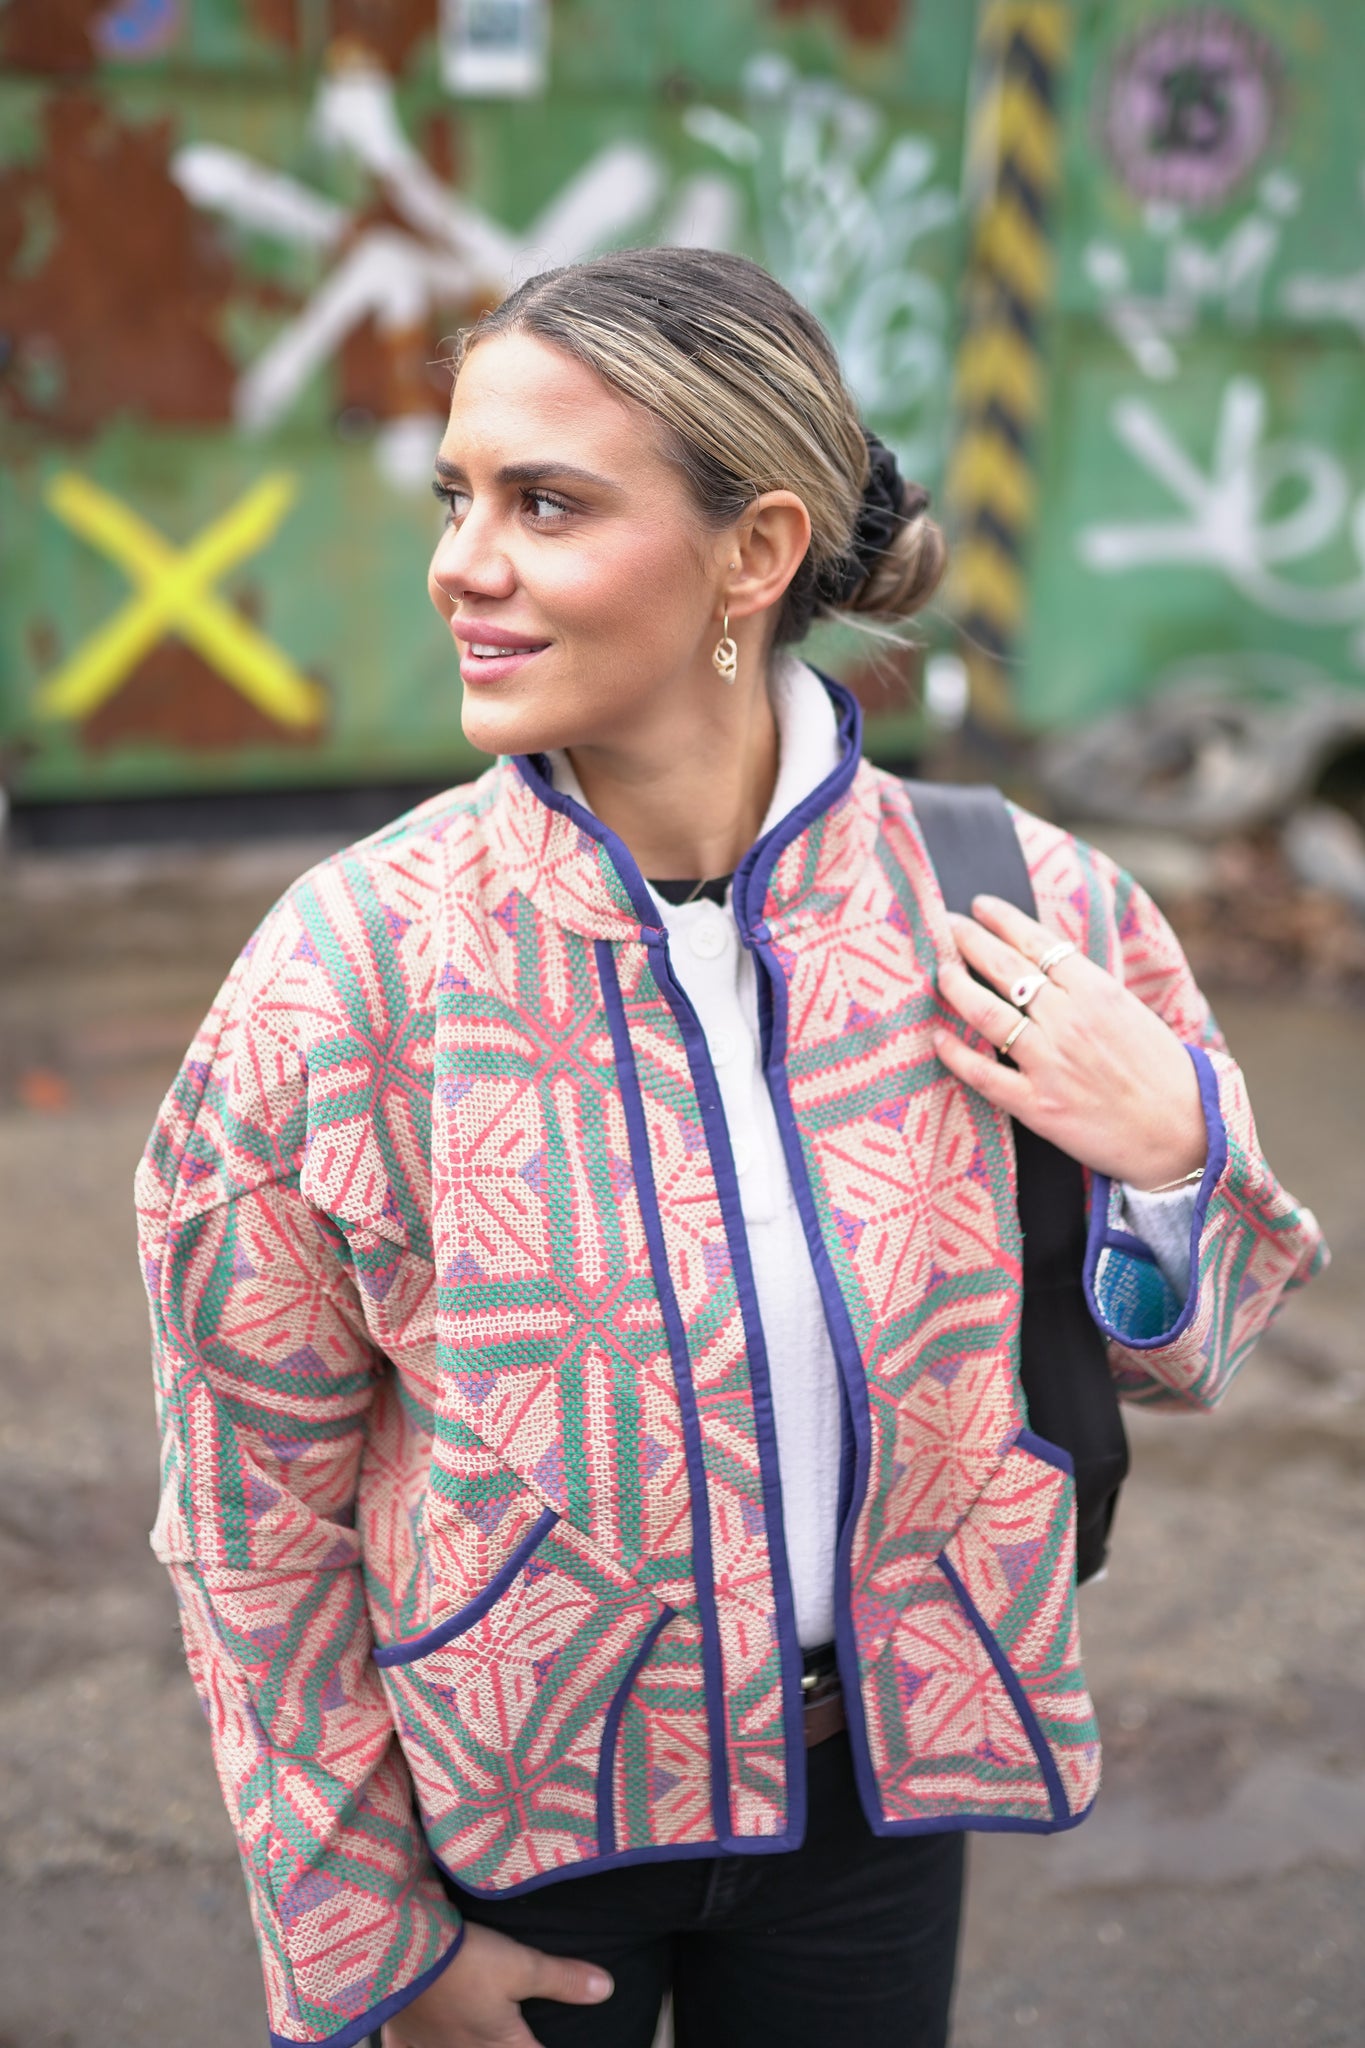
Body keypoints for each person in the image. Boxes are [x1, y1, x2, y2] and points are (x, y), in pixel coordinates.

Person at [137, 248, 1325, 2048]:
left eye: (544, 503)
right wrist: (367, 1930)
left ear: (754, 551)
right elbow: (247, 1512)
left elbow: (1188, 1351)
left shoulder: (1022, 907)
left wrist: (1166, 1150)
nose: (463, 561)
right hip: (510, 1831)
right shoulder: (350, 973)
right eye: (459, 496)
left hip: (880, 1809)